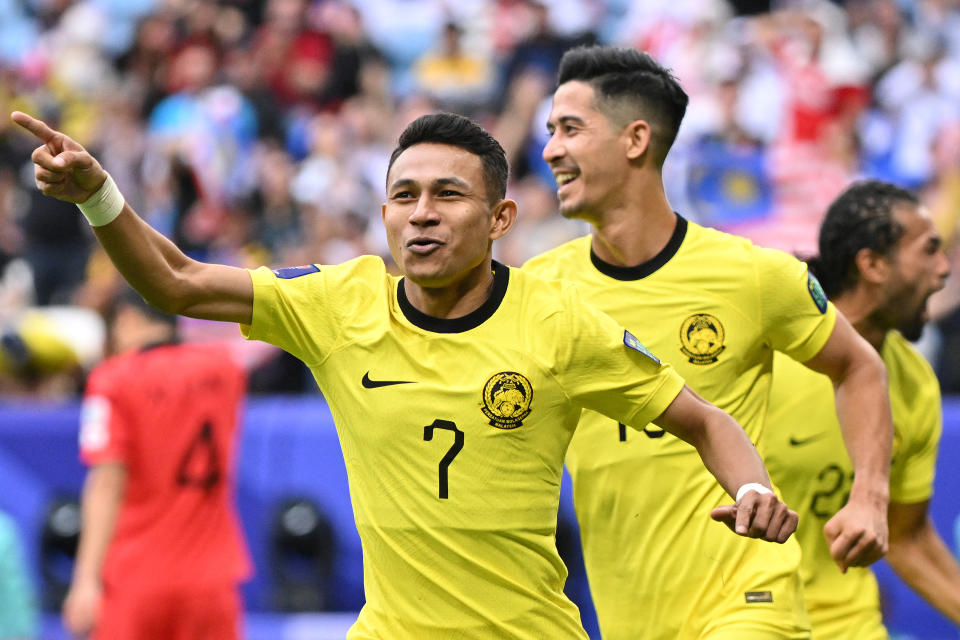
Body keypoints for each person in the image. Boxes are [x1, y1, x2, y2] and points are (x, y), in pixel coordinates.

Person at [14, 108, 797, 639]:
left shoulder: (558, 323)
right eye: (404, 196)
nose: (422, 212)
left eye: (448, 195)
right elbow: (176, 280)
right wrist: (98, 196)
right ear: (384, 215)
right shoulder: (337, 304)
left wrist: (753, 488)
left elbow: (703, 417)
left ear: (499, 220)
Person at [523, 45, 893, 639]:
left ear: (635, 139)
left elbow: (859, 367)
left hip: (749, 598)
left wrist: (870, 497)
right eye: (549, 131)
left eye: (570, 129)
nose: (550, 151)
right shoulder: (538, 292)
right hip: (631, 614)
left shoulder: (752, 274)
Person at [763, 180, 959, 636]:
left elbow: (906, 536)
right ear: (872, 263)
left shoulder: (915, 383)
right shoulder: (764, 348)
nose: (945, 269)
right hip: (742, 617)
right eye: (929, 250)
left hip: (849, 623)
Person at [61, 288, 251, 639]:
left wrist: (85, 580)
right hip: (212, 579)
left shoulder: (113, 380)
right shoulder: (225, 370)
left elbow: (106, 483)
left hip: (137, 577)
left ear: (129, 319)